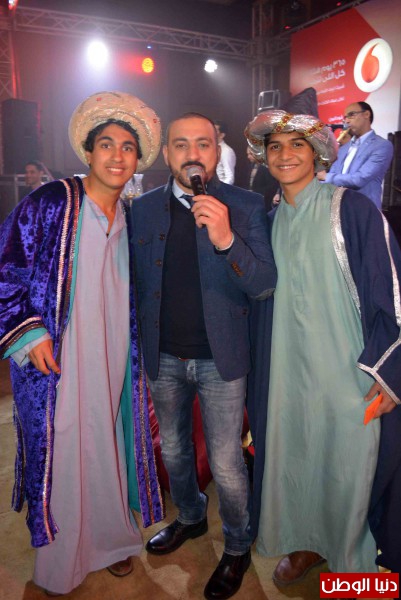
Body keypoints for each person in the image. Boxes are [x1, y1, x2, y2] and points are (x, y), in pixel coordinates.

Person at [0, 91, 164, 595]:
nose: (117, 156)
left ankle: (112, 542)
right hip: (58, 355)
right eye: (107, 144)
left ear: (138, 160)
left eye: (128, 147)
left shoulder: (131, 216)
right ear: (89, 152)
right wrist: (30, 332)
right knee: (65, 445)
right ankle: (61, 560)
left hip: (113, 351)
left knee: (108, 440)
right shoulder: (52, 201)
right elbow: (7, 268)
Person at [244, 109, 401, 581]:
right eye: (275, 147)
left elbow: (392, 293)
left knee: (350, 464)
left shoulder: (351, 210)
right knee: (297, 456)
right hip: (287, 372)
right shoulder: (267, 222)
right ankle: (308, 543)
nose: (285, 154)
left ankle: (352, 564)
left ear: (317, 154)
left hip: (349, 371)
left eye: (297, 145)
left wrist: (389, 375)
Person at [131, 112, 277, 600]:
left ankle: (236, 544)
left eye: (203, 144)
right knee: (173, 450)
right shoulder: (141, 209)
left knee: (226, 462)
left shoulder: (246, 205)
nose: (192, 154)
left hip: (221, 358)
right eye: (181, 145)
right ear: (166, 153)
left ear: (217, 151)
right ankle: (191, 517)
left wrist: (226, 239)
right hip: (164, 356)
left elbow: (264, 285)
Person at [317, 101, 394, 210]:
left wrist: (326, 176)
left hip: (364, 210)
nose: (347, 121)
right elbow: (332, 179)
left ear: (366, 114)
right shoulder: (343, 148)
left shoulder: (382, 145)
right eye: (345, 117)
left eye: (351, 115)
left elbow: (359, 179)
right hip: (338, 209)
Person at [246, 146, 280, 211]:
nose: (248, 156)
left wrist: (256, 192)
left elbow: (272, 186)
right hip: (252, 200)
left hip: (264, 201)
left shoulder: (267, 166)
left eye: (251, 154)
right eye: (247, 154)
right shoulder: (252, 165)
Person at [215, 120, 236, 184]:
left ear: (222, 135)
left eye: (215, 130)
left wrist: (220, 189)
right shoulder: (210, 148)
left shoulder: (227, 151)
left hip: (219, 188)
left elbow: (230, 177)